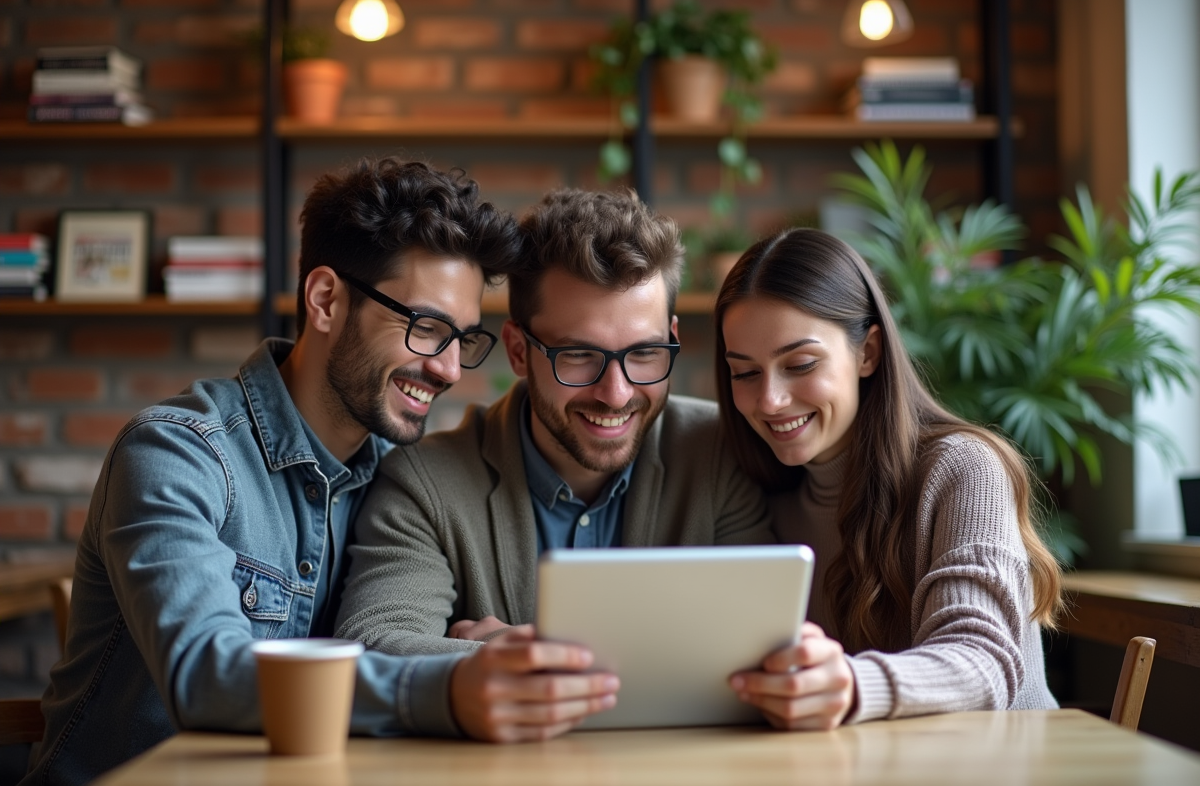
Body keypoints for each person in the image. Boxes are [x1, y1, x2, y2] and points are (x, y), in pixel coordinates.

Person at [23, 161, 619, 786]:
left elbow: (425, 636)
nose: (448, 370)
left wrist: (477, 650)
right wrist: (446, 685)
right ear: (327, 300)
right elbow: (206, 676)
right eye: (426, 329)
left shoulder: (407, 478)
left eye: (462, 340)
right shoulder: (178, 454)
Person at [334, 188, 774, 656]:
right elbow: (374, 646)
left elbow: (760, 642)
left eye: (644, 353)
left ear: (672, 338)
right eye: (579, 355)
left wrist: (516, 649)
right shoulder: (424, 486)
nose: (616, 393)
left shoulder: (722, 451)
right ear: (519, 351)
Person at [714, 228, 1062, 730]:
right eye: (745, 373)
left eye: (800, 364)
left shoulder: (964, 470)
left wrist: (854, 687)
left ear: (868, 353)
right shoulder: (755, 497)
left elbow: (983, 662)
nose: (770, 400)